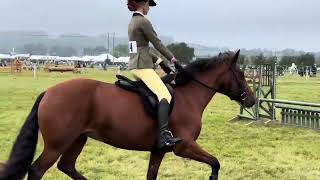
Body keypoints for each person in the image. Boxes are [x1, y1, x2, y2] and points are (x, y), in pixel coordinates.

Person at [127, 0, 182, 149]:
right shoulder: (144, 22)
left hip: (135, 66)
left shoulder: (132, 22)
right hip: (143, 67)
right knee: (165, 95)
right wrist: (173, 59)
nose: (149, 8)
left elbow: (140, 49)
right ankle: (163, 135)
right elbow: (157, 43)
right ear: (143, 3)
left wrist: (160, 63)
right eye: (148, 5)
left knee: (163, 82)